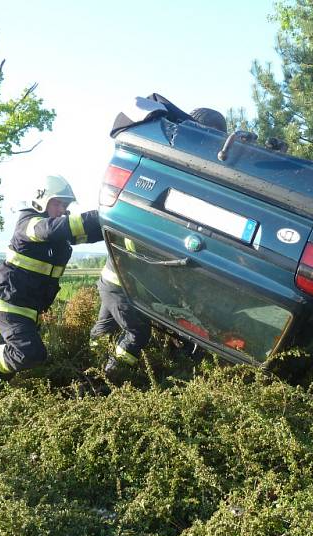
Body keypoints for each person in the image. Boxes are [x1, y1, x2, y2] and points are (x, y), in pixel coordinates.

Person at [90, 106, 227, 382]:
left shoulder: (166, 164)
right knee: (134, 334)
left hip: (122, 281)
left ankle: (89, 368)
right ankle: (105, 378)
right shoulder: (186, 177)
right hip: (127, 283)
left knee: (102, 333)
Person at [0, 175, 103, 388]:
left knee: (10, 358)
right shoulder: (30, 223)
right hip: (8, 301)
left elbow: (86, 231)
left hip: (25, 304)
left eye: (65, 205)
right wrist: (104, 214)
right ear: (40, 200)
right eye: (58, 203)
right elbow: (53, 228)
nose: (63, 210)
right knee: (28, 353)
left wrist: (115, 224)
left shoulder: (55, 229)